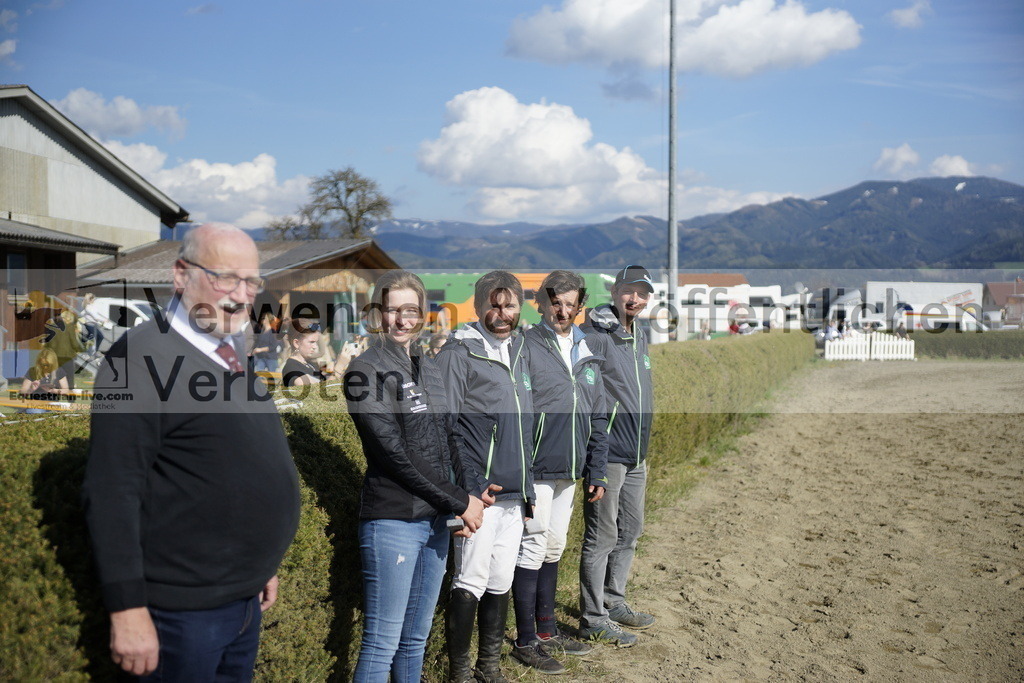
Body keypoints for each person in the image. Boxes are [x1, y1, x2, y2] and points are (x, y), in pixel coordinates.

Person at [81, 223, 301, 681]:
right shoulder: (139, 359)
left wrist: (256, 565)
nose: (241, 295)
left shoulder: (229, 351)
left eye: (252, 282)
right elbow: (111, 491)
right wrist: (127, 610)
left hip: (241, 600)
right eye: (225, 278)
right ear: (181, 275)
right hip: (181, 617)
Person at [345, 270, 487, 683]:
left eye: (411, 311)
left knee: (415, 641)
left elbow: (451, 436)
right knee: (382, 643)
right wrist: (459, 501)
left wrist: (469, 492)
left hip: (436, 521)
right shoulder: (364, 370)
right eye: (392, 311)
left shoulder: (429, 366)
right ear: (376, 314)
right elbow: (392, 454)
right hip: (393, 521)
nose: (402, 320)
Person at [435, 271, 535, 683]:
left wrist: (528, 491)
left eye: (509, 305)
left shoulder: (521, 352)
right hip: (480, 496)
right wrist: (464, 494)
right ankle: (459, 672)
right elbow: (443, 428)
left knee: (500, 580)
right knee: (470, 580)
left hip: (515, 494)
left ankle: (488, 667)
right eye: (493, 305)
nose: (502, 313)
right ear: (477, 308)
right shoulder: (459, 354)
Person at [510, 270, 608, 674]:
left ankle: (548, 629)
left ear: (580, 306)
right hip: (536, 468)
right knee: (532, 546)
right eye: (556, 302)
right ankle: (526, 639)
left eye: (571, 303)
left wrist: (597, 471)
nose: (562, 310)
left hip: (571, 469)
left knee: (554, 545)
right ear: (541, 302)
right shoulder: (525, 346)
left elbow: (599, 415)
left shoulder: (587, 350)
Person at [578, 265, 656, 648]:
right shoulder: (598, 334)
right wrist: (595, 450)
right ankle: (592, 618)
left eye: (643, 293)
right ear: (616, 291)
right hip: (608, 454)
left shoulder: (639, 333)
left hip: (637, 455)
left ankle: (614, 601)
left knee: (631, 530)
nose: (635, 299)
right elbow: (584, 391)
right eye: (629, 291)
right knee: (602, 536)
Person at [19, 347, 70, 414]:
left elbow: (66, 391)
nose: (45, 368)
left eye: (48, 365)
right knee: (35, 412)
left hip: (53, 405)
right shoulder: (32, 371)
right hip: (36, 405)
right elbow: (22, 392)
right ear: (38, 362)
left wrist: (52, 390)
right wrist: (31, 389)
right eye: (43, 365)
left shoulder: (59, 371)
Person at [282, 322, 327, 387]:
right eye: (311, 342)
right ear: (296, 343)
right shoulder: (293, 369)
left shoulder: (308, 363)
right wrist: (339, 367)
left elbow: (324, 381)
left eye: (315, 342)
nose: (315, 347)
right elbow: (320, 393)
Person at [80, 292, 110, 359]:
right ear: (90, 299)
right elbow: (95, 317)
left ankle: (91, 351)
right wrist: (104, 320)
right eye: (93, 299)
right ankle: (90, 352)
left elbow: (95, 314)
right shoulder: (88, 307)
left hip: (93, 324)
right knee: (99, 337)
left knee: (95, 337)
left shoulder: (91, 306)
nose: (94, 300)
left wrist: (103, 319)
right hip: (90, 325)